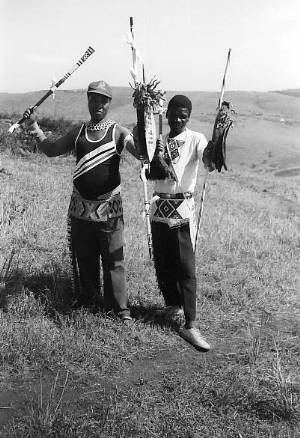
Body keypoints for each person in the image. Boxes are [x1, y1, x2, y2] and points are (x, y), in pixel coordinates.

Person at [23, 80, 141, 321]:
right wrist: (34, 125)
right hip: (81, 209)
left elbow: (140, 153)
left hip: (109, 209)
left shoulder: (119, 132)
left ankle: (119, 309)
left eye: (103, 100)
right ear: (88, 100)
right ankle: (89, 299)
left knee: (114, 259)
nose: (98, 103)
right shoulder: (79, 131)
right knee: (85, 257)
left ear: (109, 103)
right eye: (94, 98)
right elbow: (52, 148)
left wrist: (144, 122)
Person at [148, 94, 212, 351]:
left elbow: (207, 159)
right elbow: (149, 169)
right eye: (174, 113)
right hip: (158, 208)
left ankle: (191, 323)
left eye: (183, 115)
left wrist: (216, 141)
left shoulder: (196, 139)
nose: (178, 118)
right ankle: (172, 305)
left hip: (181, 209)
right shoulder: (158, 140)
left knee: (185, 265)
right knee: (163, 261)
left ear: (189, 116)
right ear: (167, 114)